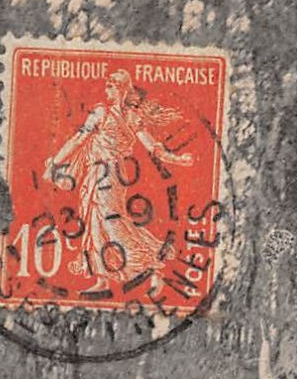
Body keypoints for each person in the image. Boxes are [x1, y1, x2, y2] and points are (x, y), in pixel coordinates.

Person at [43, 70, 192, 295]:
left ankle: (152, 271)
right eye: (107, 86)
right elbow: (79, 138)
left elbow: (151, 146)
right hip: (96, 173)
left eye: (112, 86)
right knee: (95, 224)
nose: (107, 90)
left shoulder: (119, 115)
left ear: (122, 89)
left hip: (108, 174)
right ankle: (102, 279)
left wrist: (176, 159)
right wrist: (56, 161)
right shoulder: (106, 113)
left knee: (112, 224)